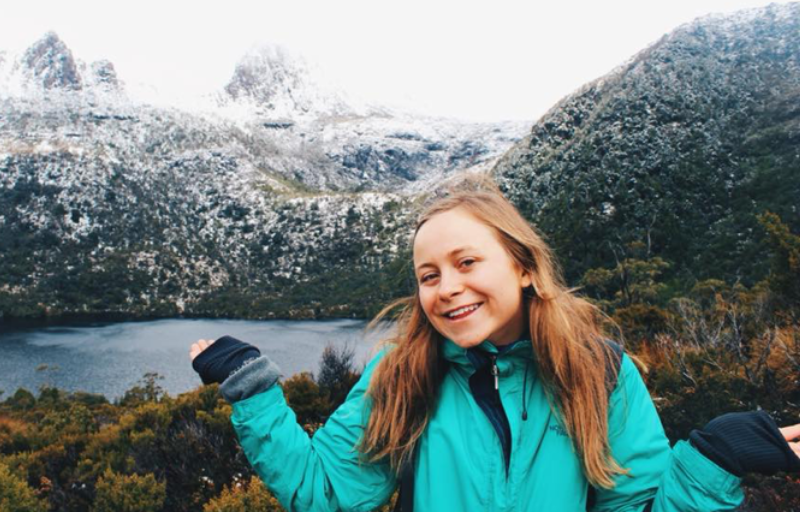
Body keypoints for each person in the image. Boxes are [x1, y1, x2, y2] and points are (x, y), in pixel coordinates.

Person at [190, 180, 800, 512]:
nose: (447, 289)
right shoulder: (401, 374)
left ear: (525, 269)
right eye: (429, 275)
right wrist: (254, 389)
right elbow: (324, 494)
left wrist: (710, 461)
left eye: (466, 262)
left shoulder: (599, 373)